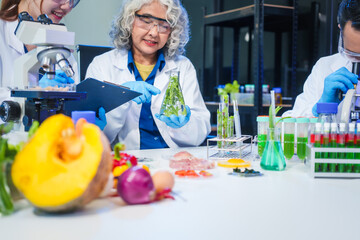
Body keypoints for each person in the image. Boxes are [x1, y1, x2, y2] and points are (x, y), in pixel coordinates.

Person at [86, 0, 211, 150]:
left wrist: (185, 124)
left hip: (172, 159)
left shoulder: (183, 67)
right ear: (129, 20)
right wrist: (120, 97)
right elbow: (95, 137)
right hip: (128, 161)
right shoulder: (102, 65)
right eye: (146, 21)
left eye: (164, 25)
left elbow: (200, 132)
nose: (154, 33)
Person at [0, 0, 107, 128]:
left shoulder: (62, 51)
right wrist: (30, 97)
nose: (67, 6)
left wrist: (81, 123)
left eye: (74, 0)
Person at [283, 0, 360, 118]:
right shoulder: (324, 67)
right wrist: (319, 108)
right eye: (352, 53)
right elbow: (289, 123)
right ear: (340, 31)